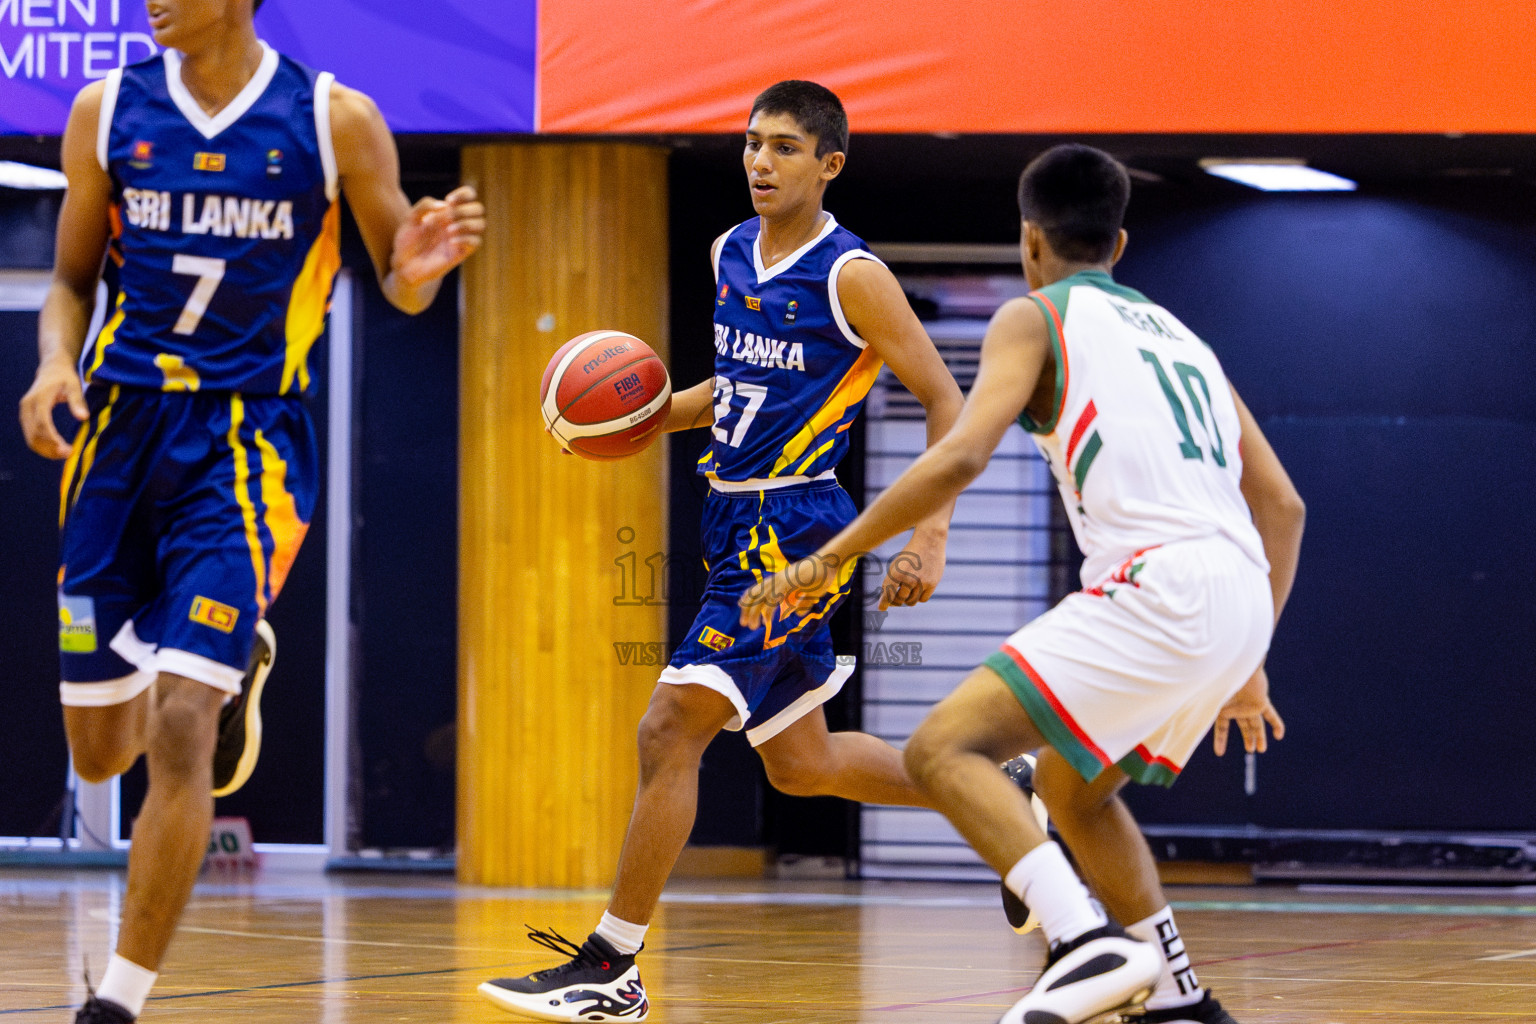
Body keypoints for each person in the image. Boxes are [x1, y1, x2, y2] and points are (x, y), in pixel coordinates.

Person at [739, 144, 1305, 1024]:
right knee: (1076, 792)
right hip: (1235, 594)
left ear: (1029, 239)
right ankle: (1178, 995)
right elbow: (1283, 503)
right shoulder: (1184, 337)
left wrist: (831, 555)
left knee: (940, 750)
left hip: (1158, 586)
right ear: (1119, 245)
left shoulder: (1033, 317)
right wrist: (1251, 655)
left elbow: (960, 452)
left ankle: (1081, 942)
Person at [17, 1, 483, 1020]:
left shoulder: (333, 120)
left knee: (185, 722)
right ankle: (221, 656)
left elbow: (399, 277)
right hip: (115, 438)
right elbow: (67, 277)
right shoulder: (105, 109)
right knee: (101, 751)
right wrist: (55, 357)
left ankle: (120, 1001)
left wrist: (415, 273)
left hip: (247, 450)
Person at [477, 80, 965, 1022]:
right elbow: (732, 387)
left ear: (829, 164)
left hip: (796, 529)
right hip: (727, 515)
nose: (759, 161)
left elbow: (949, 401)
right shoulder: (729, 252)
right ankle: (993, 790)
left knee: (667, 729)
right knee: (804, 765)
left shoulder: (851, 275)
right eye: (750, 143)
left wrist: (928, 534)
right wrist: (636, 418)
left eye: (784, 147)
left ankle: (610, 967)